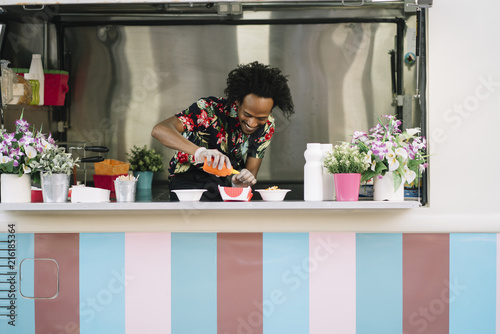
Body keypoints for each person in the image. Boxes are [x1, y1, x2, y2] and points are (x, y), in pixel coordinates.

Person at [151, 61, 294, 201]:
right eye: (247, 114)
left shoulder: (268, 125)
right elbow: (160, 130)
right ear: (237, 102)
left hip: (227, 185)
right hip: (188, 183)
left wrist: (239, 183)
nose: (252, 123)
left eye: (261, 118)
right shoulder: (208, 109)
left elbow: (249, 174)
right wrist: (200, 152)